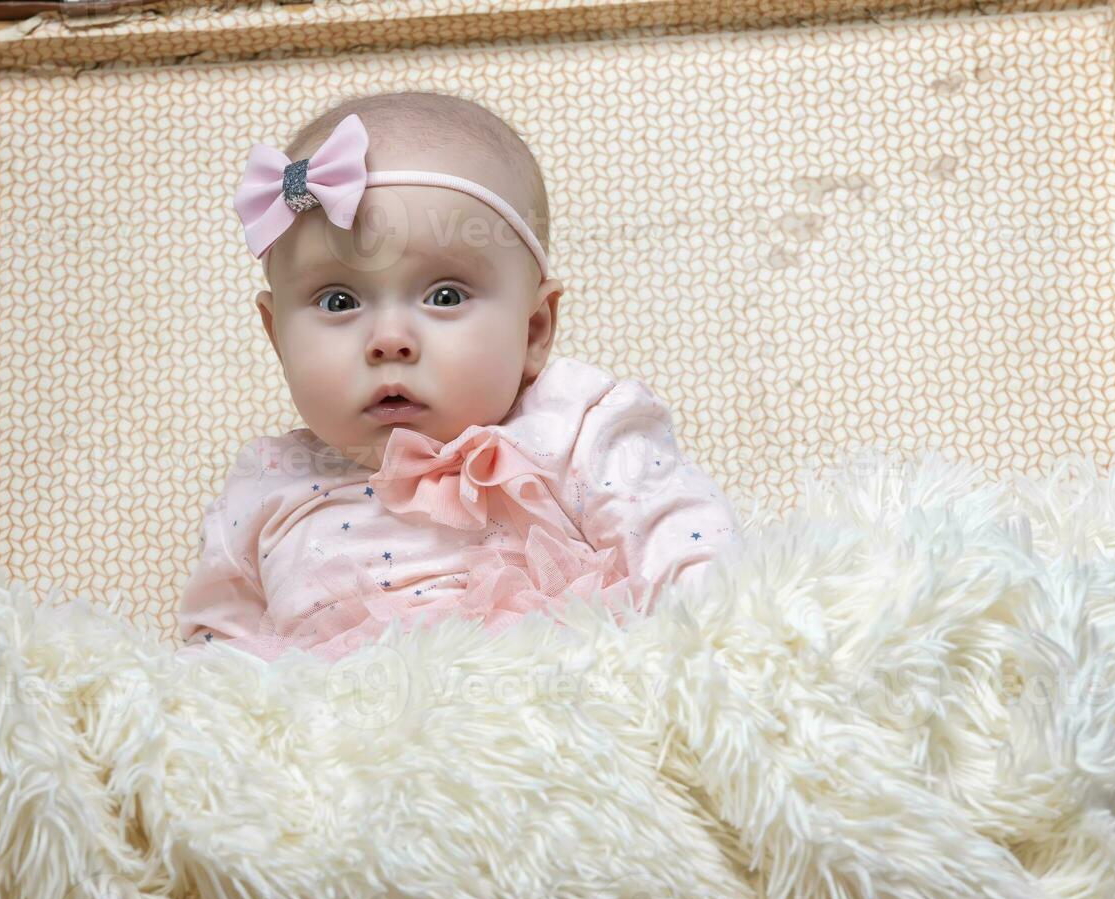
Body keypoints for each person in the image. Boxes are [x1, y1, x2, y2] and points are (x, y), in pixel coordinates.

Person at [178, 92, 741, 663]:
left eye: (444, 296)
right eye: (338, 300)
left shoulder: (577, 429)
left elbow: (688, 554)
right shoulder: (267, 486)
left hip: (557, 711)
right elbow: (214, 663)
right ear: (277, 338)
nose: (388, 338)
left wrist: (716, 659)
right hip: (344, 736)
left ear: (535, 327)